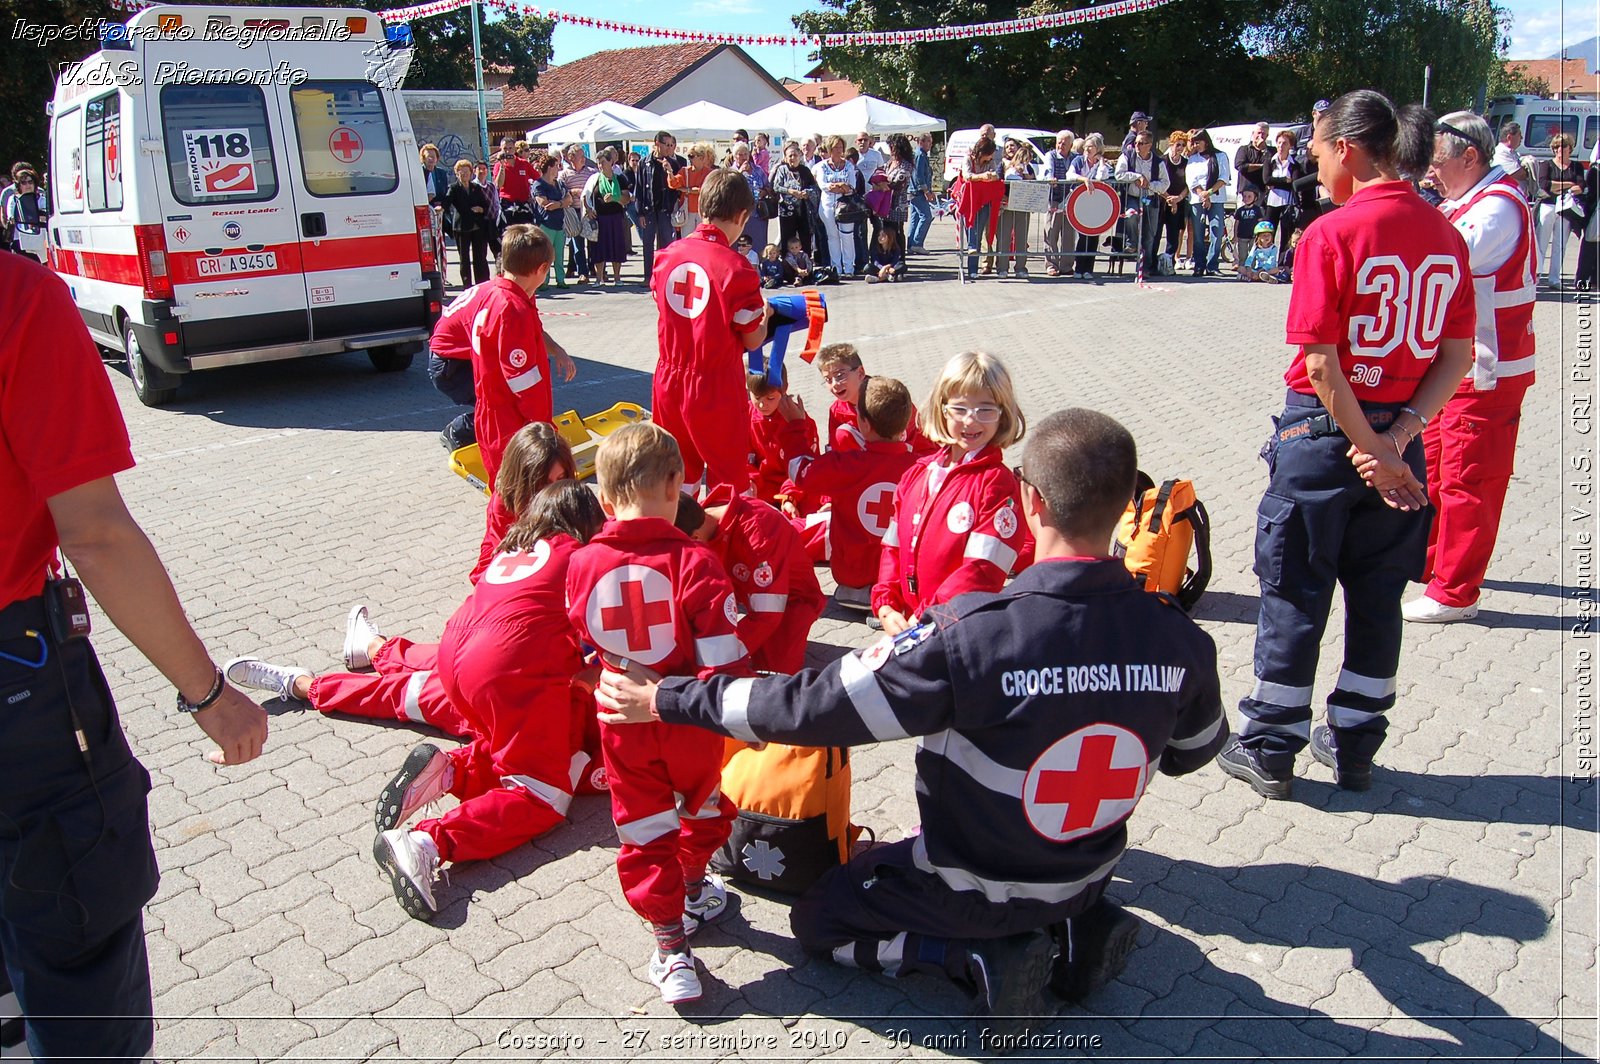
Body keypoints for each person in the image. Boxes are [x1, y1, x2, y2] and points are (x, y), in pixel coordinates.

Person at [595, 407, 1227, 1033]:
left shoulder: (971, 636)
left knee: (820, 918)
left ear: (1031, 503)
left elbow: (811, 706)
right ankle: (1070, 928)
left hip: (969, 885)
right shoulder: (1178, 635)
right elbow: (1192, 750)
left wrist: (668, 698)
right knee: (1036, 881)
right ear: (1124, 509)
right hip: (1087, 874)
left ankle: (975, 957)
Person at [0, 252, 268, 1061]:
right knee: (75, 936)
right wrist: (208, 694)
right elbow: (96, 533)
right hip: (19, 690)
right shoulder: (17, 298)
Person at [1217, 89, 1476, 802]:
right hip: (1396, 434)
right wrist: (1396, 441)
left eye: (1320, 150)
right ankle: (1356, 741)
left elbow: (1324, 364)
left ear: (1349, 151)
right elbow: (1456, 355)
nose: (1315, 163)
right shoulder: (1446, 235)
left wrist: (1368, 445)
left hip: (1325, 437)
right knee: (1378, 594)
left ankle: (1272, 742)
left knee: (1296, 588)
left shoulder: (1331, 235)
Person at [224, 421, 575, 735]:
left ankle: (370, 650)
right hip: (500, 659)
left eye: (561, 480)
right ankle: (301, 683)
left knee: (432, 670)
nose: (553, 493)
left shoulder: (574, 511)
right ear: (521, 482)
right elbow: (486, 568)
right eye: (544, 484)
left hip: (525, 662)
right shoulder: (506, 504)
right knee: (413, 687)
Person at [564, 423, 749, 1005]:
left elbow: (578, 644)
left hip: (621, 725)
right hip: (688, 723)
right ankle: (693, 884)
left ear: (603, 496)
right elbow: (723, 667)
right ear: (676, 486)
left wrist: (607, 673)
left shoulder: (581, 564)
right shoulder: (698, 562)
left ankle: (671, 945)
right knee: (705, 805)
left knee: (644, 830)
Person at [365, 481, 608, 920]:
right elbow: (608, 636)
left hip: (453, 657)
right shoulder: (580, 555)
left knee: (526, 750)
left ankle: (450, 771)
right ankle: (427, 842)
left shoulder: (517, 547)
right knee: (543, 794)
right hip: (506, 669)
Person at [1406, 110, 1538, 624]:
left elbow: (1447, 256)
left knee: (1469, 480)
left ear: (1470, 156)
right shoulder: (1464, 201)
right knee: (1436, 470)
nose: (1430, 172)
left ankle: (1456, 592)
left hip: (1488, 371)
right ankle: (1434, 565)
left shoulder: (1499, 206)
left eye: (1436, 160)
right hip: (1455, 370)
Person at [873, 351, 1032, 635]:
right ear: (942, 409)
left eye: (985, 409)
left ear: (1003, 415)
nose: (971, 421)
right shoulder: (916, 475)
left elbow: (982, 572)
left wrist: (924, 618)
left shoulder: (997, 485)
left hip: (958, 629)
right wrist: (886, 604)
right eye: (960, 408)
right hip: (911, 626)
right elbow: (892, 548)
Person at [651, 169, 769, 496]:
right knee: (728, 477)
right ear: (742, 215)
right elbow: (752, 339)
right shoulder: (737, 267)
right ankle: (725, 543)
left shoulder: (666, 256)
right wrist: (767, 317)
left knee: (675, 474)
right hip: (715, 383)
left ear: (702, 207)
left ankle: (677, 538)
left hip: (668, 378)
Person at [783, 376, 919, 608]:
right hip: (902, 573)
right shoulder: (923, 469)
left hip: (852, 577)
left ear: (864, 424)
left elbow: (799, 470)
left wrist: (796, 425)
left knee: (802, 529)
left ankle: (864, 595)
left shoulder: (846, 465)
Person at [468, 225, 577, 491]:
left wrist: (555, 350)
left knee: (507, 494)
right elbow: (523, 380)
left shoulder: (496, 294)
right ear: (541, 269)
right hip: (510, 421)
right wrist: (543, 428)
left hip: (494, 413)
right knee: (521, 497)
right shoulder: (513, 309)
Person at [674, 488, 824, 673]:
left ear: (695, 537)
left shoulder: (758, 536)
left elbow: (766, 615)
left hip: (790, 601)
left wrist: (719, 661)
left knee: (775, 670)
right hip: (745, 592)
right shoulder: (695, 518)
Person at [814, 342, 937, 456]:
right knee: (842, 434)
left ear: (860, 373)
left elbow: (912, 439)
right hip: (873, 465)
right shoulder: (837, 410)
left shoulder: (888, 396)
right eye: (828, 380)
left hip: (915, 459)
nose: (834, 384)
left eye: (840, 376)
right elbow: (836, 451)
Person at [747, 364, 819, 502]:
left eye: (770, 398)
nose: (762, 405)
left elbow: (807, 466)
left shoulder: (798, 419)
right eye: (757, 398)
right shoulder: (746, 416)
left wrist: (789, 496)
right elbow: (741, 458)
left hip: (795, 488)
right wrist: (750, 480)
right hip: (760, 487)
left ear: (784, 390)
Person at [1115, 129, 1167, 276]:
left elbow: (1165, 183)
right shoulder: (1127, 156)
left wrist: (1149, 184)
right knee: (1131, 217)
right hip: (1132, 196)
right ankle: (1131, 242)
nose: (1137, 145)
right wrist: (1136, 176)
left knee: (1150, 234)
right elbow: (1119, 174)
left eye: (1141, 143)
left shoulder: (1158, 162)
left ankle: (1145, 267)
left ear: (1149, 145)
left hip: (1150, 198)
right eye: (1136, 142)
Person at [637, 132, 687, 282]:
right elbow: (639, 188)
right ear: (657, 144)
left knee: (667, 244)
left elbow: (678, 185)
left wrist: (669, 169)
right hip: (649, 209)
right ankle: (648, 277)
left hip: (666, 209)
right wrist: (640, 212)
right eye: (666, 144)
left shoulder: (674, 162)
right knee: (648, 244)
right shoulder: (644, 162)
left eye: (671, 144)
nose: (669, 147)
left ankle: (666, 276)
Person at [1534, 133, 1582, 289]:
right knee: (1541, 243)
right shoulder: (1546, 165)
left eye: (1562, 146)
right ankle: (1537, 277)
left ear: (1570, 148)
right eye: (1556, 147)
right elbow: (1545, 185)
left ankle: (1554, 279)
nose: (1559, 150)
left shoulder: (1577, 166)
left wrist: (1560, 185)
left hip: (1567, 209)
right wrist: (1568, 184)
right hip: (1548, 206)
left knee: (1559, 246)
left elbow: (1580, 186)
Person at [1066, 134, 1115, 278]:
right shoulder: (1078, 160)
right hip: (1081, 203)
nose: (1087, 148)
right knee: (1083, 235)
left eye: (1091, 146)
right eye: (1086, 146)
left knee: (1094, 235)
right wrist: (1085, 179)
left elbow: (1101, 177)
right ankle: (1079, 267)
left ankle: (1088, 269)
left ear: (1098, 148)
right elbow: (1070, 174)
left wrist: (1100, 163)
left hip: (1097, 204)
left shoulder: (1103, 164)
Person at [957, 137, 1004, 281]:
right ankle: (970, 261)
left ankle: (972, 270)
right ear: (983, 152)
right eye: (990, 153)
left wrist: (991, 176)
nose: (991, 156)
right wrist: (982, 176)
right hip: (968, 200)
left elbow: (997, 174)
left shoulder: (990, 161)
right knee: (971, 227)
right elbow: (967, 176)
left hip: (984, 200)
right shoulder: (967, 159)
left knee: (978, 233)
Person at [1185, 129, 1231, 277]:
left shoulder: (1220, 156)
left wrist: (1209, 193)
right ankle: (1199, 264)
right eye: (1194, 143)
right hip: (1197, 199)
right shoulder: (1193, 159)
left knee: (1216, 232)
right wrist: (1203, 195)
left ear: (1206, 141)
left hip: (1216, 198)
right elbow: (1192, 180)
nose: (1196, 145)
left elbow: (1224, 178)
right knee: (1198, 234)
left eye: (1198, 142)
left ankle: (1212, 265)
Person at [583, 146, 632, 286]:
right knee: (599, 248)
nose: (600, 165)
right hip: (600, 219)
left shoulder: (620, 179)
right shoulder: (594, 179)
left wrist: (615, 198)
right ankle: (599, 278)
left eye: (603, 162)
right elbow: (584, 196)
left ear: (611, 162)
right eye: (599, 163)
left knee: (616, 247)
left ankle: (617, 278)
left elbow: (627, 198)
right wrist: (588, 209)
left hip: (616, 217)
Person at [815, 136, 861, 278]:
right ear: (829, 149)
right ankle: (836, 267)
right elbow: (823, 184)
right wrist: (835, 187)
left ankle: (849, 268)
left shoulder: (848, 165)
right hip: (828, 205)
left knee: (847, 235)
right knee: (832, 236)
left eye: (840, 147)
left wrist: (842, 187)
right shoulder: (822, 166)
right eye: (835, 147)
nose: (838, 150)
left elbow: (852, 185)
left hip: (846, 206)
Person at [446, 160, 492, 288]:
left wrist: (481, 209)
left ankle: (481, 284)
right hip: (462, 227)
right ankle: (467, 285)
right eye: (462, 172)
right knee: (464, 259)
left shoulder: (475, 187)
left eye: (467, 171)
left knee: (480, 257)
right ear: (457, 173)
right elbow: (447, 203)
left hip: (477, 226)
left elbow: (486, 205)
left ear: (471, 173)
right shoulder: (454, 188)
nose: (465, 174)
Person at [772, 142, 819, 262]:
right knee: (787, 237)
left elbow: (814, 187)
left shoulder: (805, 170)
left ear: (799, 155)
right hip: (786, 210)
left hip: (803, 209)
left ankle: (806, 265)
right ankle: (788, 267)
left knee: (805, 237)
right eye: (790, 156)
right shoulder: (782, 169)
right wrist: (790, 191)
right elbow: (776, 186)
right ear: (786, 157)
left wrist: (807, 192)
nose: (793, 158)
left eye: (795, 155)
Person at [1042, 130, 1079, 276]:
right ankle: (1051, 264)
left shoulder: (1076, 157)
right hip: (1054, 199)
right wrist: (1050, 178)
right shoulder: (1050, 155)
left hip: (1071, 200)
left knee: (1069, 234)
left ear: (1071, 145)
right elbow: (1048, 170)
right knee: (1051, 231)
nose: (1060, 145)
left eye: (1064, 143)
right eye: (1059, 142)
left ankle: (1066, 265)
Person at [996, 140, 1036, 278]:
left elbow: (1034, 182)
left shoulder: (1027, 166)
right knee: (1004, 237)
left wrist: (1024, 174)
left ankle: (1020, 267)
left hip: (1022, 205)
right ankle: (1002, 267)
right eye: (1007, 147)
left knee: (1021, 237)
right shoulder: (1002, 164)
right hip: (1006, 205)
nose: (1009, 148)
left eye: (1012, 145)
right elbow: (997, 181)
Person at [560, 144, 598, 283]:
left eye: (584, 156)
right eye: (580, 156)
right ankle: (583, 272)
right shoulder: (564, 174)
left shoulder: (591, 172)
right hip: (573, 211)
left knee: (593, 241)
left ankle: (595, 268)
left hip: (589, 211)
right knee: (577, 244)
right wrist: (572, 192)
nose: (583, 159)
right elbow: (561, 192)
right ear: (571, 158)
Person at [1263, 129, 1304, 259]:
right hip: (1272, 202)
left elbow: (1294, 183)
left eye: (1284, 143)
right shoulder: (1270, 161)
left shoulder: (1294, 164)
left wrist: (1278, 183)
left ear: (1290, 146)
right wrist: (1284, 180)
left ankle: (1283, 262)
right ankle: (1266, 261)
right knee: (1268, 232)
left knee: (1286, 234)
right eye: (1279, 143)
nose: (1281, 146)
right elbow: (1267, 179)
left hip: (1287, 202)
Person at [1156, 132, 1191, 270]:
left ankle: (1169, 263)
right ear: (1171, 144)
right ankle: (1152, 264)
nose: (1180, 148)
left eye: (1183, 145)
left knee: (1173, 235)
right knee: (1156, 234)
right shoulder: (1161, 161)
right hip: (1161, 200)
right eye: (1178, 145)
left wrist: (1178, 199)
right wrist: (1168, 198)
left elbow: (1188, 185)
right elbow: (1156, 182)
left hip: (1179, 201)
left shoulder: (1186, 163)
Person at [730, 141, 771, 250]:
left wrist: (764, 191)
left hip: (757, 212)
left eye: (745, 154)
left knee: (758, 242)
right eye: (740, 154)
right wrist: (740, 171)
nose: (743, 157)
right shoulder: (731, 172)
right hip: (739, 212)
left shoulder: (758, 169)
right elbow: (729, 188)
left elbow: (768, 186)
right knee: (739, 243)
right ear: (735, 156)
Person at [421, 143, 451, 279]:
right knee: (428, 245)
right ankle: (431, 273)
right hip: (424, 212)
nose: (431, 159)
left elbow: (445, 193)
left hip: (439, 213)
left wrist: (442, 206)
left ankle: (442, 275)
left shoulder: (441, 173)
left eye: (433, 157)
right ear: (423, 158)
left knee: (440, 243)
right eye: (428, 157)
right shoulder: (420, 172)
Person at [3, 169, 46, 260]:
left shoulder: (42, 200)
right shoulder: (14, 200)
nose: (28, 185)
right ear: (18, 185)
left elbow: (46, 218)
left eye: (30, 182)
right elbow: (12, 218)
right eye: (24, 183)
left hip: (40, 241)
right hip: (20, 242)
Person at [493, 138, 536, 226]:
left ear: (515, 149)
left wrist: (534, 196)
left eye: (510, 148)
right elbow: (498, 185)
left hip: (524, 203)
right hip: (507, 204)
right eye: (505, 149)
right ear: (501, 149)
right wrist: (502, 167)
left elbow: (538, 179)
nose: (508, 151)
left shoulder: (524, 164)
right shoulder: (498, 166)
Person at [907, 132, 935, 252]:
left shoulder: (920, 154)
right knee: (926, 216)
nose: (930, 144)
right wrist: (926, 191)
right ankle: (917, 243)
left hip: (914, 191)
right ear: (921, 142)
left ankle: (911, 245)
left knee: (916, 217)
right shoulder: (920, 155)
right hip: (917, 191)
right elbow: (919, 176)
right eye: (928, 142)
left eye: (931, 142)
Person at [681, 142, 716, 237]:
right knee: (687, 238)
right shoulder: (686, 171)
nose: (689, 159)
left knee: (703, 237)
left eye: (692, 156)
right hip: (688, 210)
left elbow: (704, 190)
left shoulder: (711, 173)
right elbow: (674, 184)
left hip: (704, 210)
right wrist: (670, 172)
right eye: (688, 156)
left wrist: (687, 190)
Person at [1492, 121, 1532, 199]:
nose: (1522, 138)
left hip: (1518, 197)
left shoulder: (1513, 153)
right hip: (1507, 198)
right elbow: (1520, 174)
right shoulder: (1501, 153)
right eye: (1519, 135)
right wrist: (1530, 168)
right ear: (1509, 137)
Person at [1234, 122, 1273, 204]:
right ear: (1253, 134)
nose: (1260, 136)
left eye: (1263, 134)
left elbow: (1272, 165)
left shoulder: (1271, 151)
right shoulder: (1244, 149)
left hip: (1262, 192)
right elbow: (1240, 167)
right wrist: (1262, 166)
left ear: (1267, 136)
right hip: (1245, 193)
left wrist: (1263, 149)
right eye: (1258, 133)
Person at [473, 160, 503, 257]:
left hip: (492, 222)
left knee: (498, 251)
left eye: (484, 169)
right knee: (481, 254)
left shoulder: (491, 186)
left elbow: (496, 203)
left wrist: (498, 217)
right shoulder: (472, 186)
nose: (482, 171)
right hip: (480, 223)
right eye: (479, 169)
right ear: (474, 171)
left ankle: (500, 271)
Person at [1232, 187, 1264, 273]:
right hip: (1242, 236)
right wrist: (1235, 235)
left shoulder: (1257, 210)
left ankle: (1251, 270)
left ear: (1255, 198)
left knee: (1252, 254)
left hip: (1253, 236)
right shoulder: (1240, 210)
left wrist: (1260, 235)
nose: (1246, 198)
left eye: (1249, 196)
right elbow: (1236, 223)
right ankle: (1242, 271)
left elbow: (1260, 223)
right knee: (1242, 255)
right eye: (1244, 196)